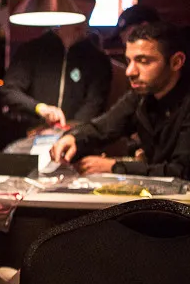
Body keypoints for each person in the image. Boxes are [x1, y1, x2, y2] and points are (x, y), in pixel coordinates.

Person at [50, 22, 188, 177]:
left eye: (143, 61)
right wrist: (74, 138)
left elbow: (181, 171)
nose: (130, 71)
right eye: (129, 61)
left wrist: (114, 166)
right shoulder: (141, 96)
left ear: (176, 62)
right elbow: (102, 128)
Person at [0, 0, 112, 128]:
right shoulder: (33, 50)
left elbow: (94, 105)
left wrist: (68, 131)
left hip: (75, 137)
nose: (82, 21)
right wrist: (40, 108)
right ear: (63, 10)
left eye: (87, 15)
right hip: (31, 133)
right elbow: (9, 91)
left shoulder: (98, 60)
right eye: (77, 12)